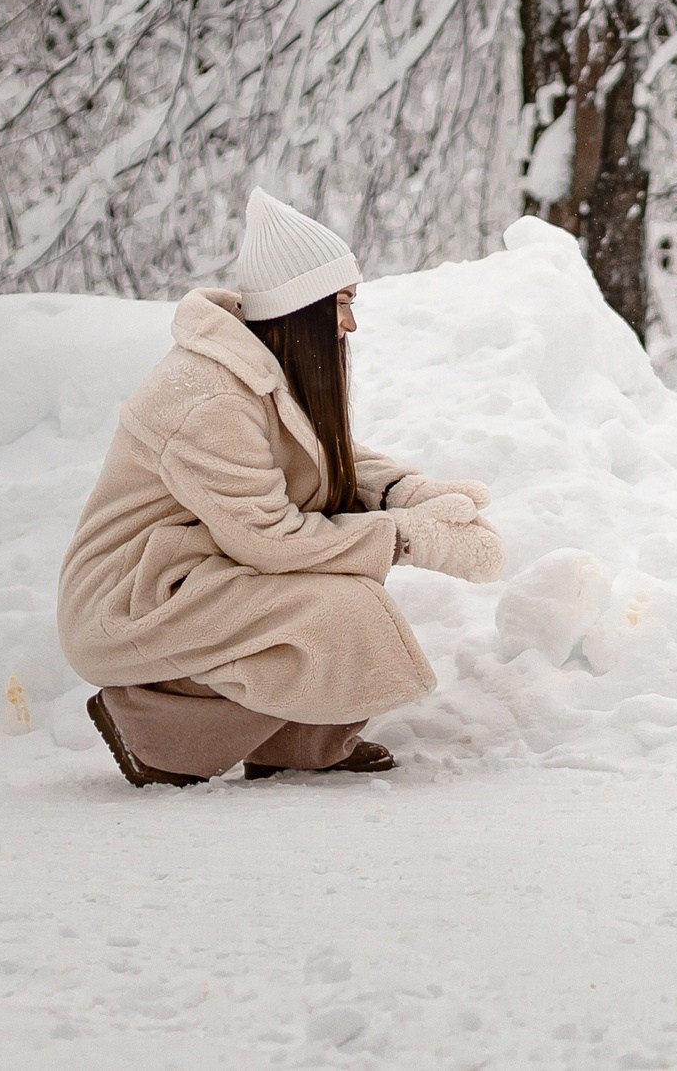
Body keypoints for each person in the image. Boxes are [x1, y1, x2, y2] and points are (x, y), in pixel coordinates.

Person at [58, 189, 505, 787]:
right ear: (302, 308)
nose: (351, 322)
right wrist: (404, 539)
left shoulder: (260, 369)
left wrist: (405, 492)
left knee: (338, 599)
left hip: (196, 569)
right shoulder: (207, 395)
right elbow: (270, 537)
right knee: (339, 611)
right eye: (342, 304)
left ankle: (302, 744)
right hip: (135, 595)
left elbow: (310, 459)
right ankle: (152, 726)